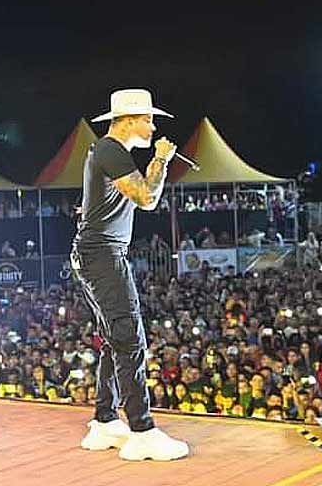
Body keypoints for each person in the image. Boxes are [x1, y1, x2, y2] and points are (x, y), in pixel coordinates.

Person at [72, 88, 189, 461]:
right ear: (128, 121)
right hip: (103, 256)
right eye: (148, 119)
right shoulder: (110, 151)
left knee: (114, 338)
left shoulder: (108, 153)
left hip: (96, 255)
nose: (153, 127)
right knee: (130, 338)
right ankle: (141, 429)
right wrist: (161, 160)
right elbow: (146, 198)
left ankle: (105, 420)